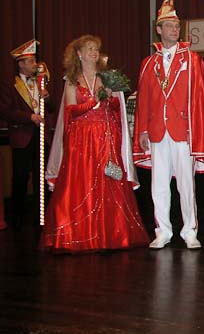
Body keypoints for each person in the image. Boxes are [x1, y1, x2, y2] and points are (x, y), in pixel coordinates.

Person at [41, 35, 148, 252]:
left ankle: (112, 233)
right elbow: (72, 110)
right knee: (81, 182)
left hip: (106, 136)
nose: (94, 52)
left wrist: (110, 98)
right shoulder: (72, 80)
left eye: (96, 49)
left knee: (110, 180)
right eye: (89, 49)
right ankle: (80, 234)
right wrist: (94, 101)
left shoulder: (108, 77)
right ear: (78, 54)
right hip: (82, 139)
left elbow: (117, 110)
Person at [133, 0, 204, 250]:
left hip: (183, 130)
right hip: (157, 130)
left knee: (186, 184)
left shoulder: (192, 60)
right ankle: (163, 231)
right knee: (158, 184)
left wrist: (196, 129)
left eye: (177, 26)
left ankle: (189, 231)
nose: (174, 30)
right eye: (169, 26)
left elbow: (200, 97)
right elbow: (144, 99)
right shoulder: (148, 63)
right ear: (158, 30)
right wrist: (143, 130)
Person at [0, 40, 52, 230]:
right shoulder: (10, 84)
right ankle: (17, 218)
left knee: (42, 177)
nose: (34, 64)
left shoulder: (41, 82)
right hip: (22, 136)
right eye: (30, 61)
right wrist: (29, 117)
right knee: (21, 176)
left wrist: (47, 97)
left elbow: (51, 108)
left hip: (41, 135)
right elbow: (5, 111)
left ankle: (42, 216)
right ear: (20, 64)